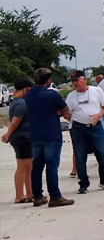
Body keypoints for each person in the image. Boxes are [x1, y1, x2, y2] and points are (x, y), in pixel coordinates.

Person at [24, 68, 73, 207]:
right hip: (51, 134)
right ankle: (55, 196)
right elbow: (66, 112)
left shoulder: (29, 95)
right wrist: (57, 113)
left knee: (37, 166)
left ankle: (37, 196)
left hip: (35, 134)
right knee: (51, 166)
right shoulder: (52, 95)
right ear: (48, 80)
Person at [65, 70, 104, 193]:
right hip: (78, 129)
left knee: (102, 154)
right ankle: (83, 183)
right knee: (80, 156)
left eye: (77, 80)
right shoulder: (71, 96)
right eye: (73, 82)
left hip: (95, 127)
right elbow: (67, 113)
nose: (75, 83)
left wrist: (98, 115)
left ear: (84, 79)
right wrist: (75, 120)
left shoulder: (96, 91)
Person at [1, 77, 34, 203]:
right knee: (23, 167)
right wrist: (8, 134)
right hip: (22, 138)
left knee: (27, 167)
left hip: (22, 137)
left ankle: (29, 193)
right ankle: (20, 195)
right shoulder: (21, 104)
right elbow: (15, 123)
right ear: (26, 89)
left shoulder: (16, 101)